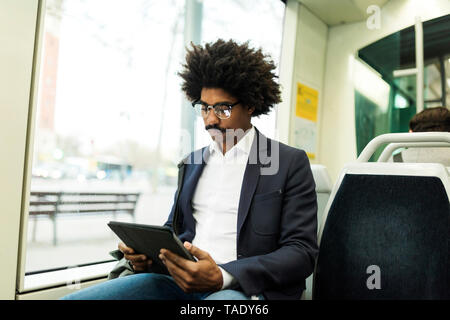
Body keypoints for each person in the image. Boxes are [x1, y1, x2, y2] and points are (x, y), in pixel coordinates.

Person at [61, 39, 318, 300]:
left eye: (223, 108)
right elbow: (172, 231)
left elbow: (301, 253)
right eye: (205, 108)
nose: (211, 119)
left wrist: (223, 275)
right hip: (176, 281)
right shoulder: (191, 163)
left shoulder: (288, 162)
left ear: (250, 104)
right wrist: (147, 257)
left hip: (242, 290)